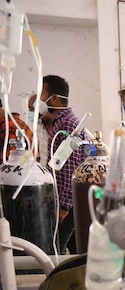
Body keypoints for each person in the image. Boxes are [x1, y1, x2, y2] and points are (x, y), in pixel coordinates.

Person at [39, 75, 87, 253]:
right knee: (73, 248)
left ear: (55, 98)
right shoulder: (61, 122)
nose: (40, 99)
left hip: (68, 203)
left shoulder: (68, 125)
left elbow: (70, 168)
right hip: (66, 200)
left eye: (42, 93)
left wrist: (64, 207)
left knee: (56, 248)